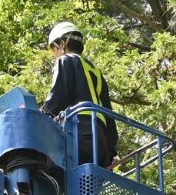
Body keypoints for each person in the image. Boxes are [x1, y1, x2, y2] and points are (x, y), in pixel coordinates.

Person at [40, 21, 118, 167]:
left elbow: (57, 96)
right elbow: (108, 112)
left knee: (47, 169)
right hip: (100, 141)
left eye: (54, 49)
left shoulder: (66, 60)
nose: (54, 54)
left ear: (62, 44)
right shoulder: (96, 71)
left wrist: (41, 117)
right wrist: (111, 150)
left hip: (79, 134)